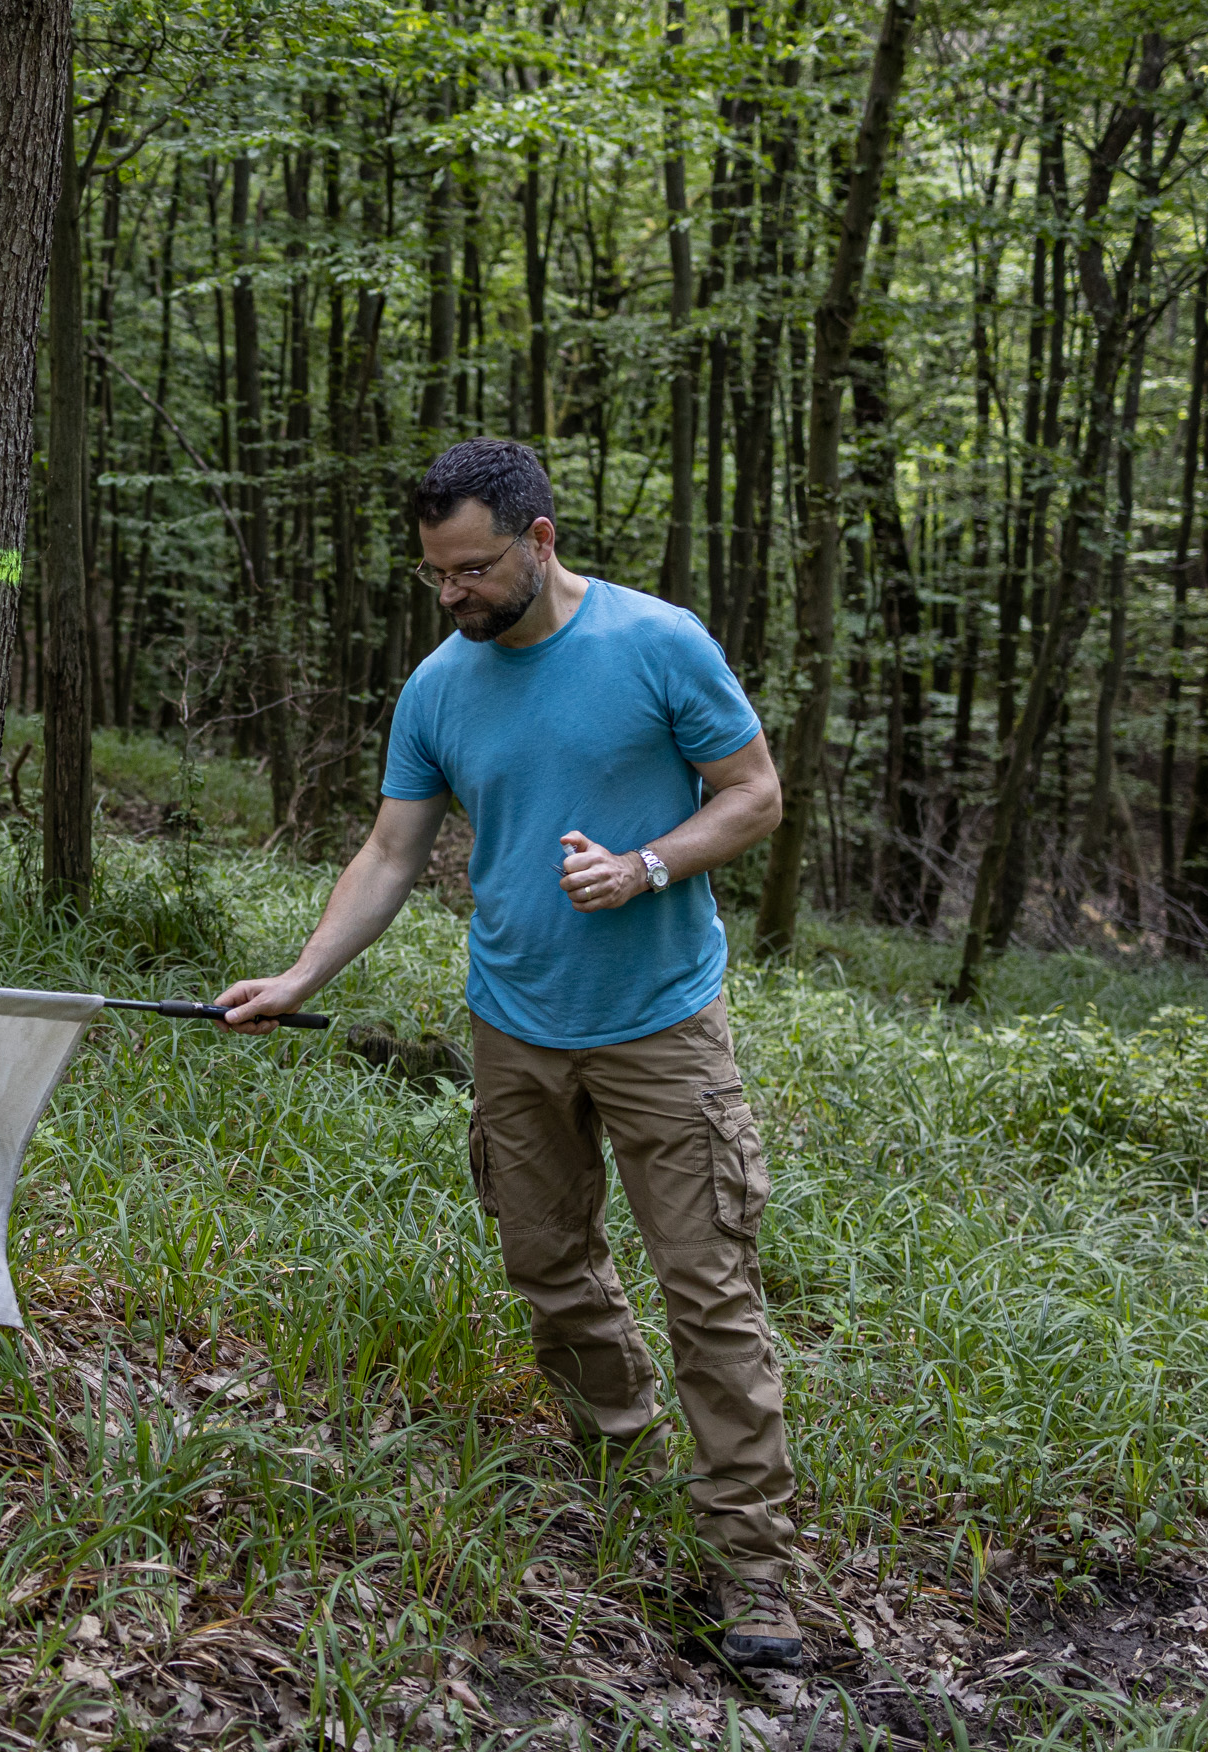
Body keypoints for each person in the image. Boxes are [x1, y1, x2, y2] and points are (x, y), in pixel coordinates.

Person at [214, 437, 805, 1672]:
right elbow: (388, 853)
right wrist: (302, 974)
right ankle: (619, 1451)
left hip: (659, 1027)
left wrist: (648, 863)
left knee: (708, 1291)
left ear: (540, 540)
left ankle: (752, 1564)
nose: (453, 594)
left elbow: (753, 792)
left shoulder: (659, 642)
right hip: (514, 1025)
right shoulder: (440, 684)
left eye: (474, 568)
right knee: (548, 1266)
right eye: (435, 574)